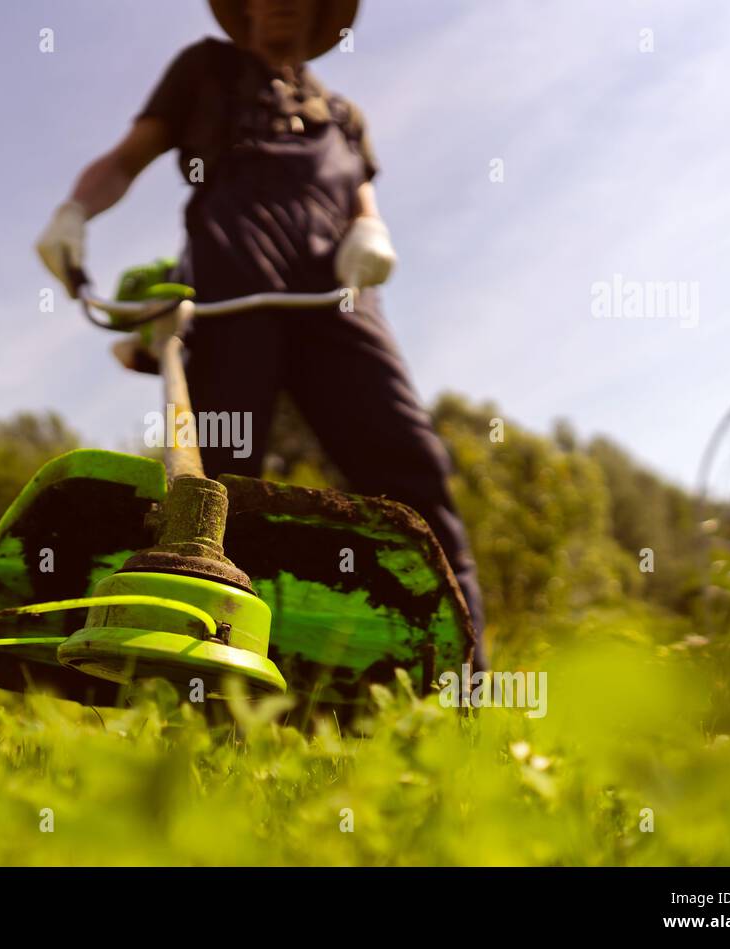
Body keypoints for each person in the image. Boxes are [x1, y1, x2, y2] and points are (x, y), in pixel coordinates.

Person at [35, 0, 487, 660]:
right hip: (230, 298)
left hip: (336, 303)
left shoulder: (345, 117)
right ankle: (203, 676)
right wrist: (73, 211)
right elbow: (124, 161)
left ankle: (459, 680)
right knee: (218, 488)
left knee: (412, 466)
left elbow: (363, 197)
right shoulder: (205, 71)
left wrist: (371, 228)